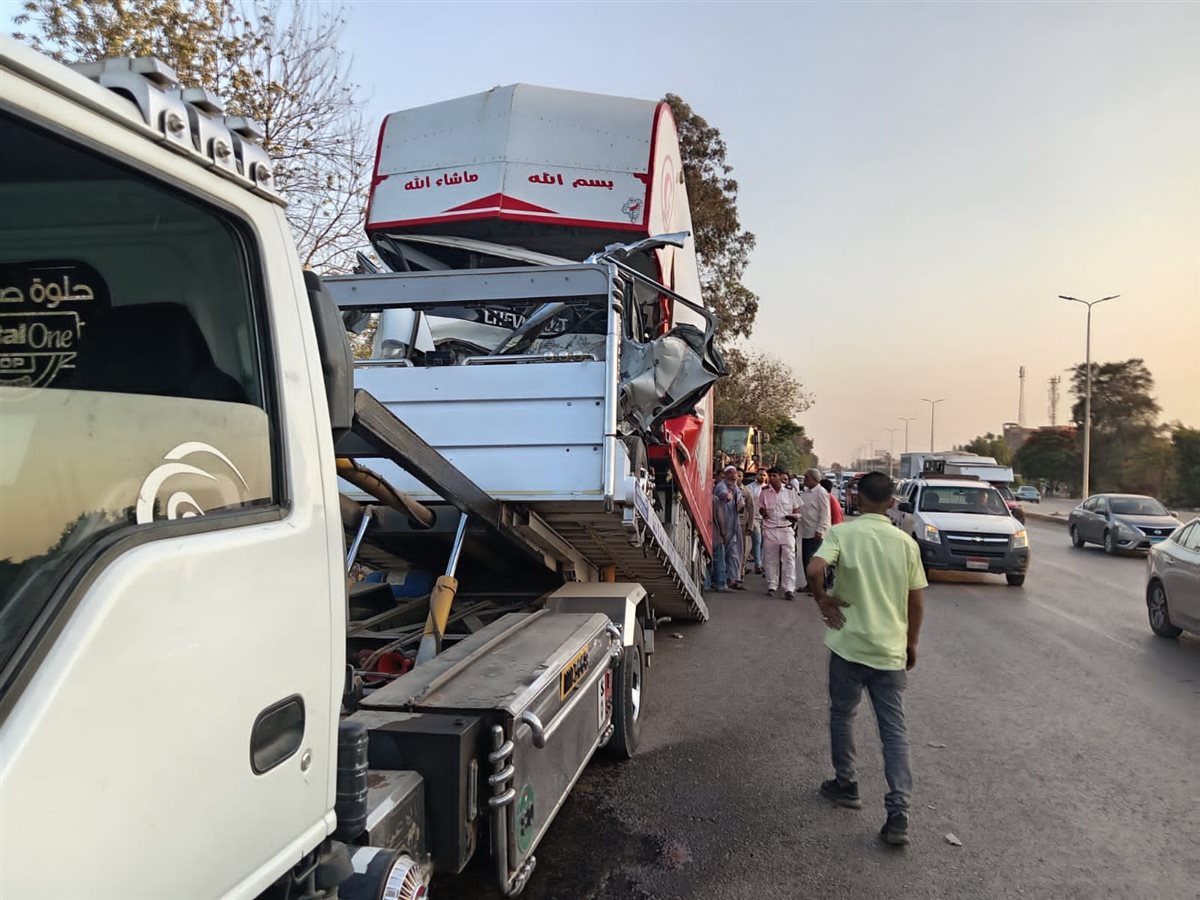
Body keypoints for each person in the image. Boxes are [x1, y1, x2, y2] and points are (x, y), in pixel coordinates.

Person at [805, 471, 927, 847]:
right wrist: (911, 645)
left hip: (848, 645)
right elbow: (916, 600)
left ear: (857, 499)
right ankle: (898, 814)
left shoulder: (844, 534)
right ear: (893, 502)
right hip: (889, 651)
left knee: (843, 714)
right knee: (894, 732)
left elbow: (814, 568)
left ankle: (846, 784)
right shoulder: (906, 543)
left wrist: (823, 601)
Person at [758, 467, 802, 599]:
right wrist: (763, 512)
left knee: (789, 559)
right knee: (771, 559)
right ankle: (772, 585)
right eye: (769, 476)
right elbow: (761, 507)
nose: (771, 478)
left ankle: (789, 589)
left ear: (780, 476)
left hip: (786, 528)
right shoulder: (764, 491)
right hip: (770, 529)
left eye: (774, 476)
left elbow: (798, 508)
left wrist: (794, 516)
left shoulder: (789, 491)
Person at [797, 468, 832, 593]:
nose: (804, 480)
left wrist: (820, 530)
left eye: (807, 477)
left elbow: (825, 513)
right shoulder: (806, 493)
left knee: (814, 561)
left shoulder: (821, 492)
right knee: (806, 559)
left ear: (814, 479)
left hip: (816, 532)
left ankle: (820, 588)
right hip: (806, 530)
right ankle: (810, 585)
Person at [711, 465, 744, 593]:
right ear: (726, 475)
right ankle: (720, 580)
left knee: (734, 554)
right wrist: (727, 496)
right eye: (731, 473)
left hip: (733, 525)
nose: (734, 476)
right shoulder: (721, 486)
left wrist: (740, 504)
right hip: (722, 526)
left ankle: (733, 579)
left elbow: (740, 502)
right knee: (722, 554)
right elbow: (723, 496)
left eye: (735, 473)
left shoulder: (735, 488)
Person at [748, 469, 768, 575]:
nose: (762, 477)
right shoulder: (750, 488)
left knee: (764, 543)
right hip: (754, 518)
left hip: (765, 519)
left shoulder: (768, 489)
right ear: (756, 476)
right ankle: (758, 565)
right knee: (757, 541)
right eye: (760, 475)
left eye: (764, 475)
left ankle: (761, 563)